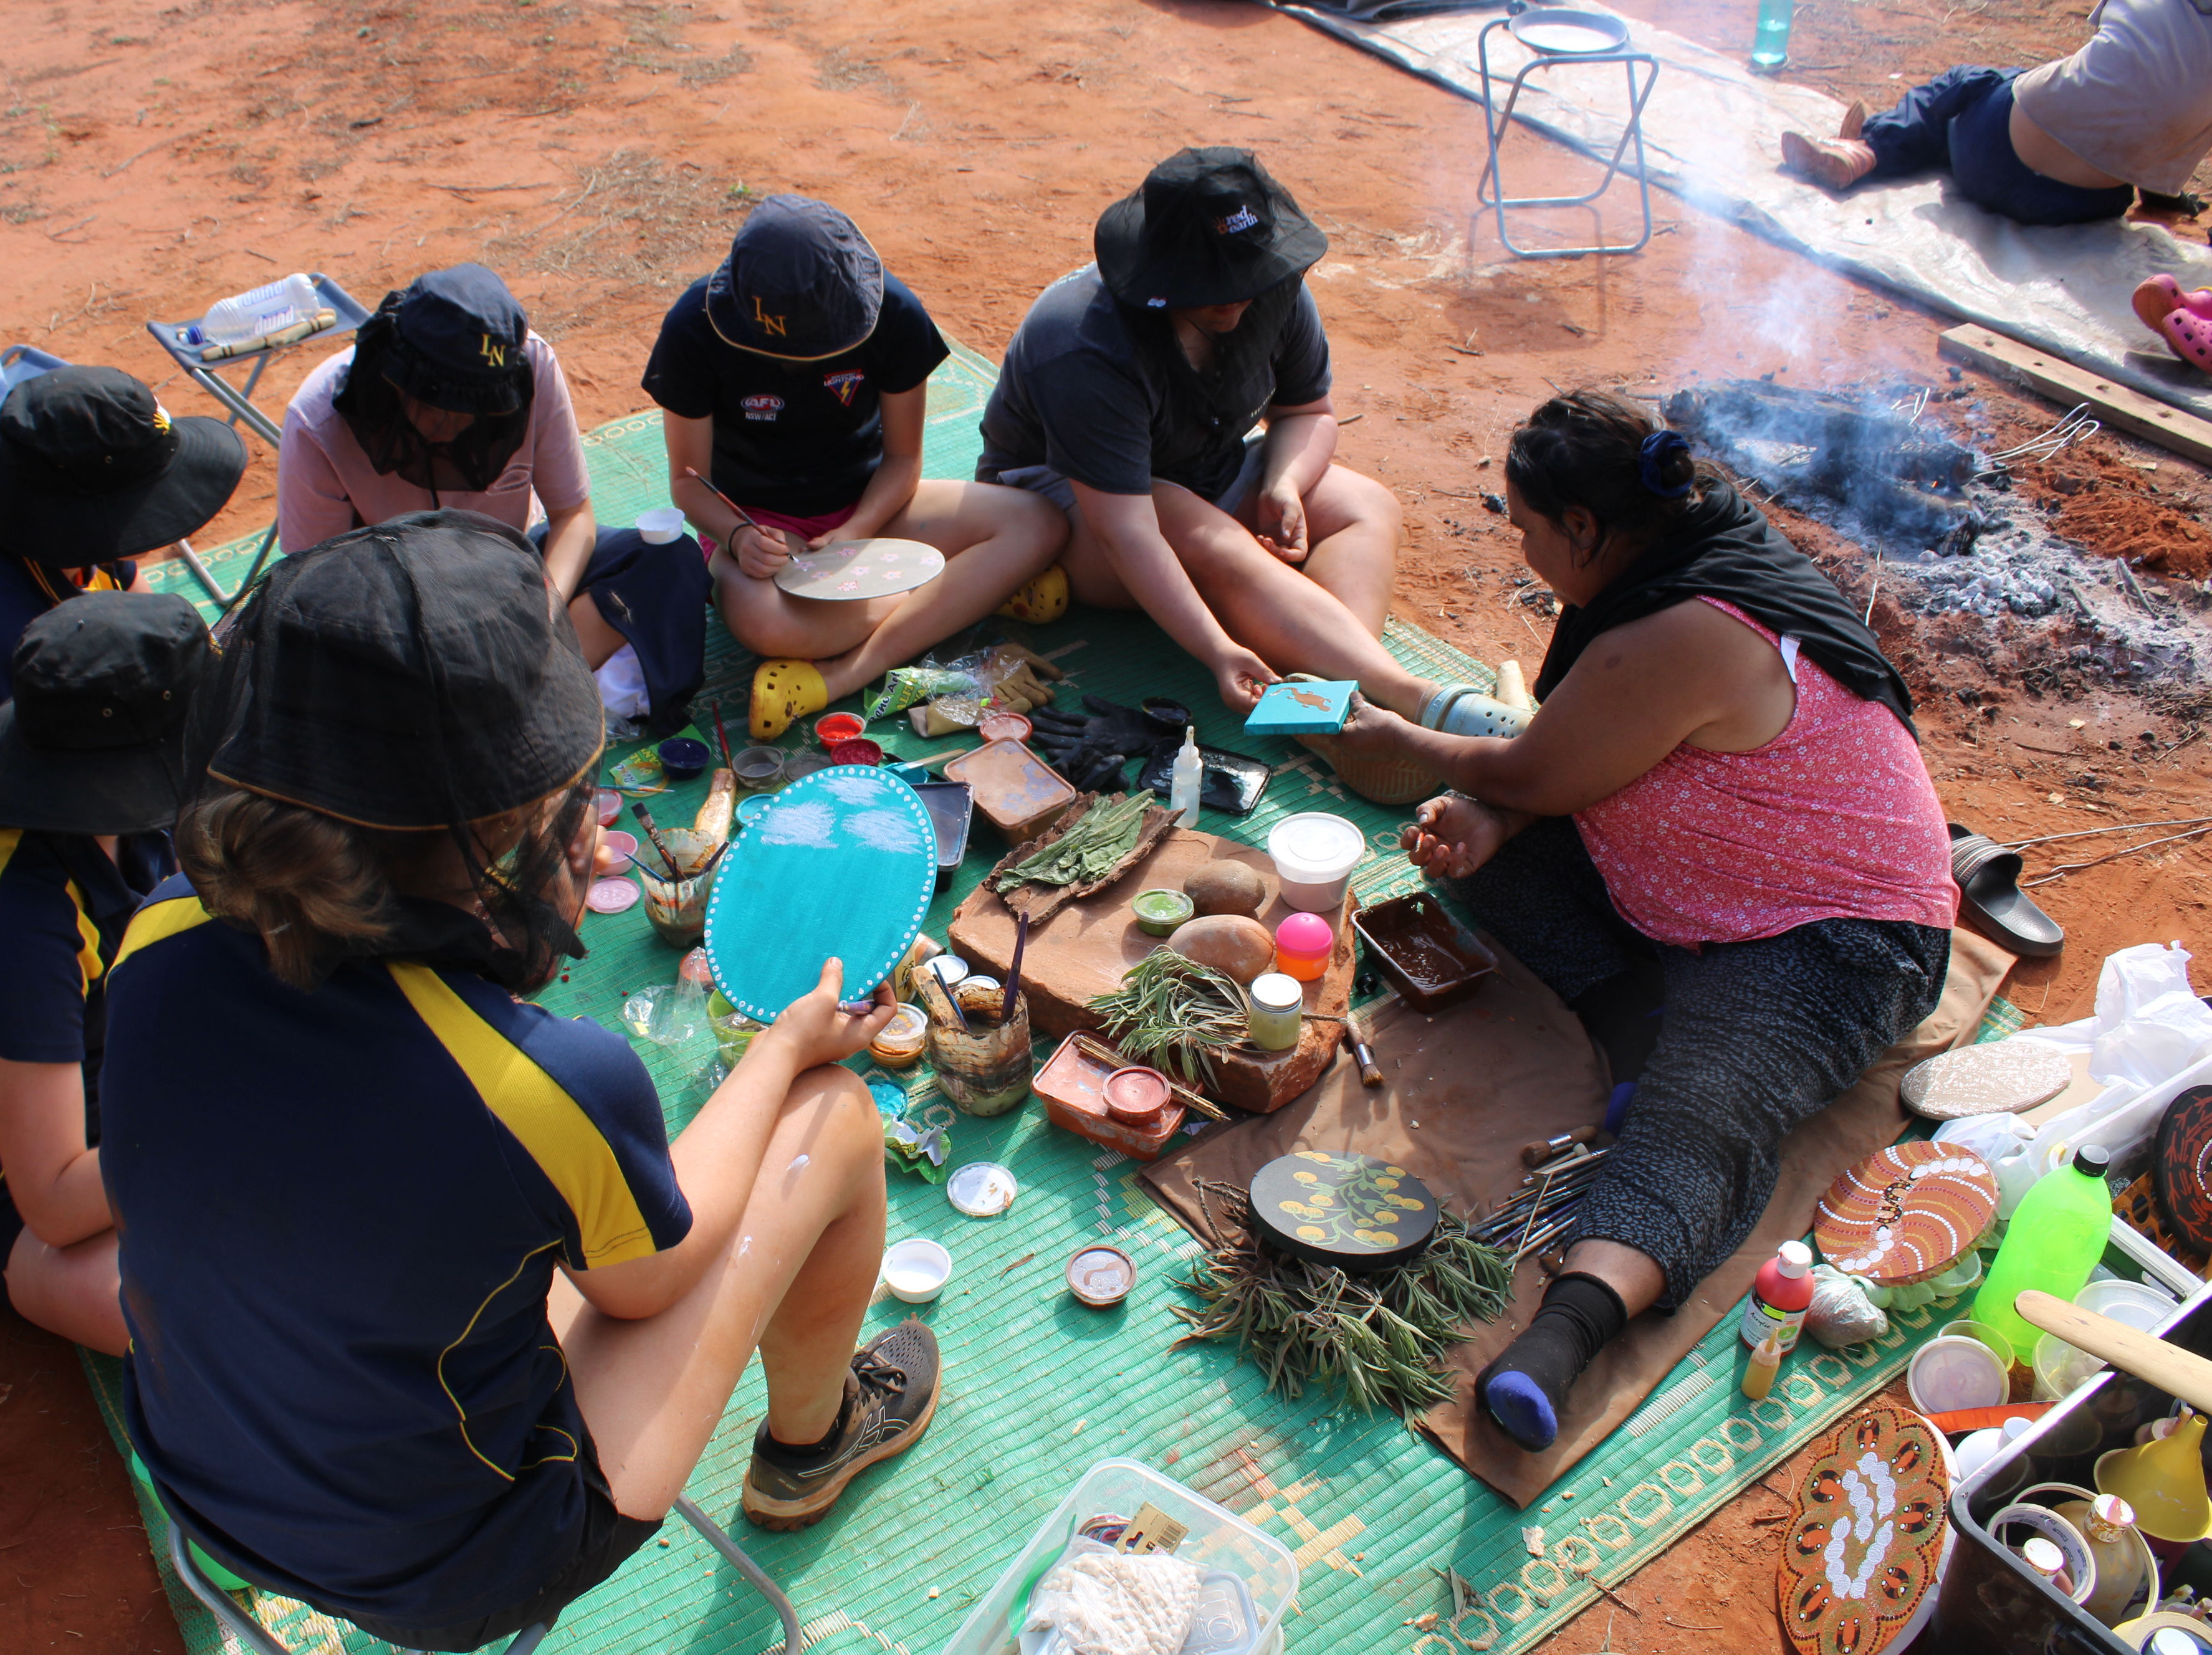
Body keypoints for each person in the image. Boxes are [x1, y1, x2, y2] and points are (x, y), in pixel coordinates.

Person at [101, 512, 937, 1651]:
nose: (601, 847)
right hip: (449, 1565)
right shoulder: (538, 1079)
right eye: (566, 812)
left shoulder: (154, 935)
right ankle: (814, 1438)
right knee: (830, 1123)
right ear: (472, 847)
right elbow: (647, 1285)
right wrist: (787, 1050)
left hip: (200, 1474)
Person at [1322, 392, 1956, 1452]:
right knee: (1488, 865)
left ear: (1581, 526)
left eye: (1525, 530)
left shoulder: (1687, 625)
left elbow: (1530, 760)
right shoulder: (1671, 551)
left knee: (1703, 1107)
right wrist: (1493, 817)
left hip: (1830, 935)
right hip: (1700, 884)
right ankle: (1630, 1028)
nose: (1522, 553)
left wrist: (1410, 738)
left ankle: (1561, 1337)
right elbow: (1574, 763)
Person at [978, 147, 1430, 721]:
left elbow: (1308, 411)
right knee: (1192, 527)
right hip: (1069, 514)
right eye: (1214, 281)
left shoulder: (1272, 290)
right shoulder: (1083, 340)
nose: (1239, 293)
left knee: (1367, 505)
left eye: (1248, 273)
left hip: (1204, 474)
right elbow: (1128, 531)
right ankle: (1408, 701)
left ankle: (1338, 701)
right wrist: (1217, 650)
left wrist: (1284, 485)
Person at [0, 592, 208, 1355]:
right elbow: (53, 1202)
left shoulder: (123, 821)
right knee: (215, 1321)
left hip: (122, 1087)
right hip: (16, 1210)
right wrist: (233, 1123)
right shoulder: (18, 917)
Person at [644, 194, 1069, 738]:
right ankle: (971, 591)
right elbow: (689, 483)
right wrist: (738, 537)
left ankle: (843, 675)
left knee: (1040, 522)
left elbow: (902, 459)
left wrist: (857, 532)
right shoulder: (694, 327)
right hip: (763, 531)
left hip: (874, 507)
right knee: (768, 625)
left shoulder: (892, 311)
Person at [279, 263, 710, 727]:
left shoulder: (532, 367)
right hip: (397, 606)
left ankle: (507, 688)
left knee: (670, 560)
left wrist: (540, 617)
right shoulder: (319, 420)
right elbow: (318, 588)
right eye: (432, 404)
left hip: (516, 569)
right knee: (316, 680)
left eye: (471, 411)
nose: (447, 426)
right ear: (394, 379)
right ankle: (508, 694)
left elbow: (573, 517)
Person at [0, 366, 246, 861]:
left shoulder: (66, 540)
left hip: (69, 767)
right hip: (1, 837)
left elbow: (158, 621)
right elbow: (61, 793)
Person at [1779, 0, 2212, 227]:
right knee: (1988, 104)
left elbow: (2118, 78)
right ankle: (1898, 141)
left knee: (1969, 82)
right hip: (2082, 208)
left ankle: (1869, 147)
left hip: (1990, 157)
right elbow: (2152, 106)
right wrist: (2167, 199)